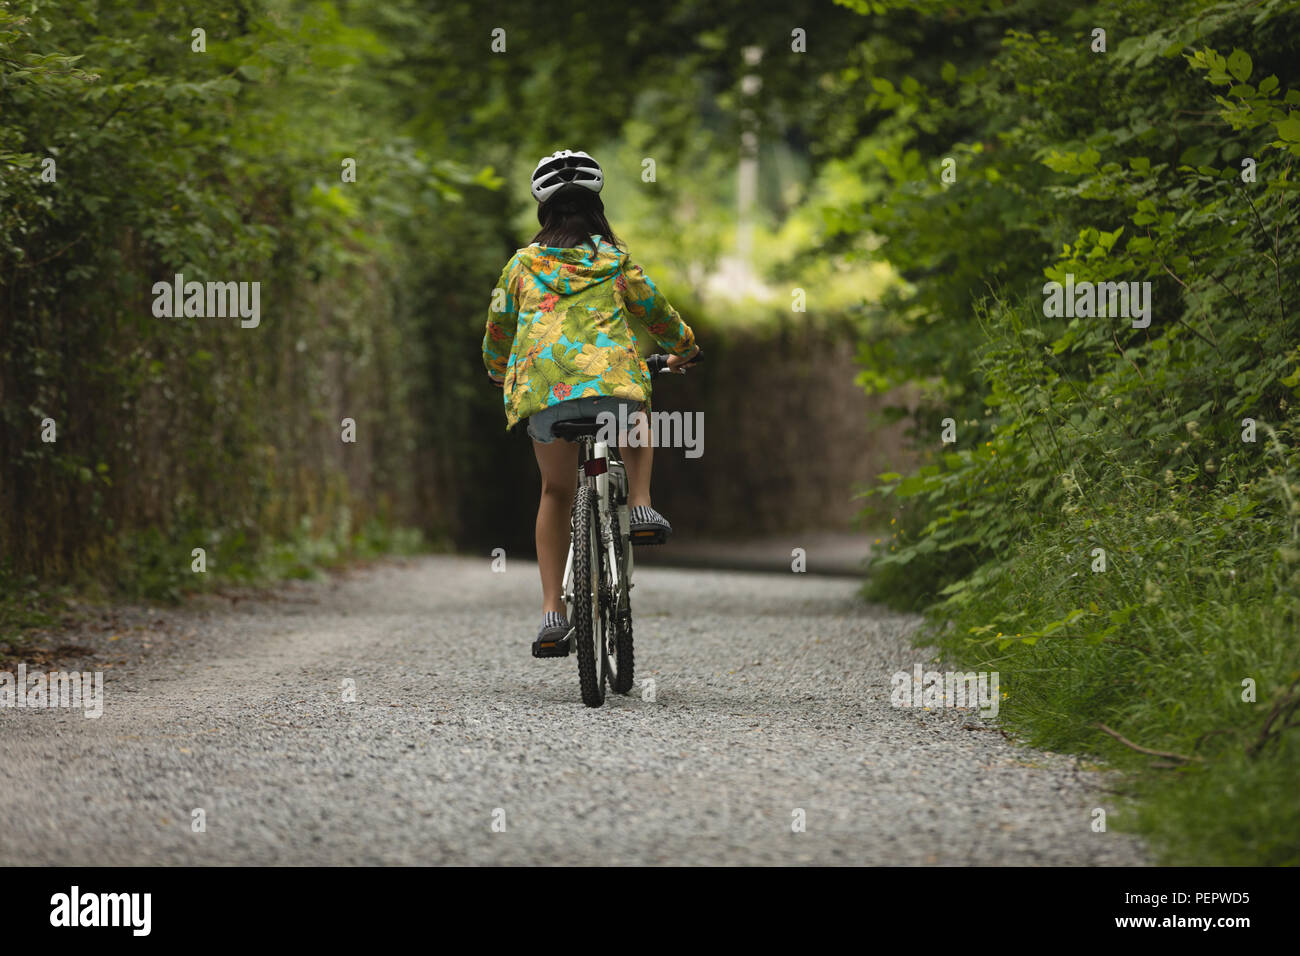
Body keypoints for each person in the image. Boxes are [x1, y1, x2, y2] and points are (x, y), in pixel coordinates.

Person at [482, 149, 701, 656]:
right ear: (596, 205)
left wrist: (499, 374)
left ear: (544, 210)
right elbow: (659, 316)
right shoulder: (615, 260)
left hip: (544, 396)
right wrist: (685, 350)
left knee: (556, 492)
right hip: (613, 391)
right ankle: (642, 505)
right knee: (638, 412)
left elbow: (497, 330)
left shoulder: (521, 265)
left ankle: (552, 615)